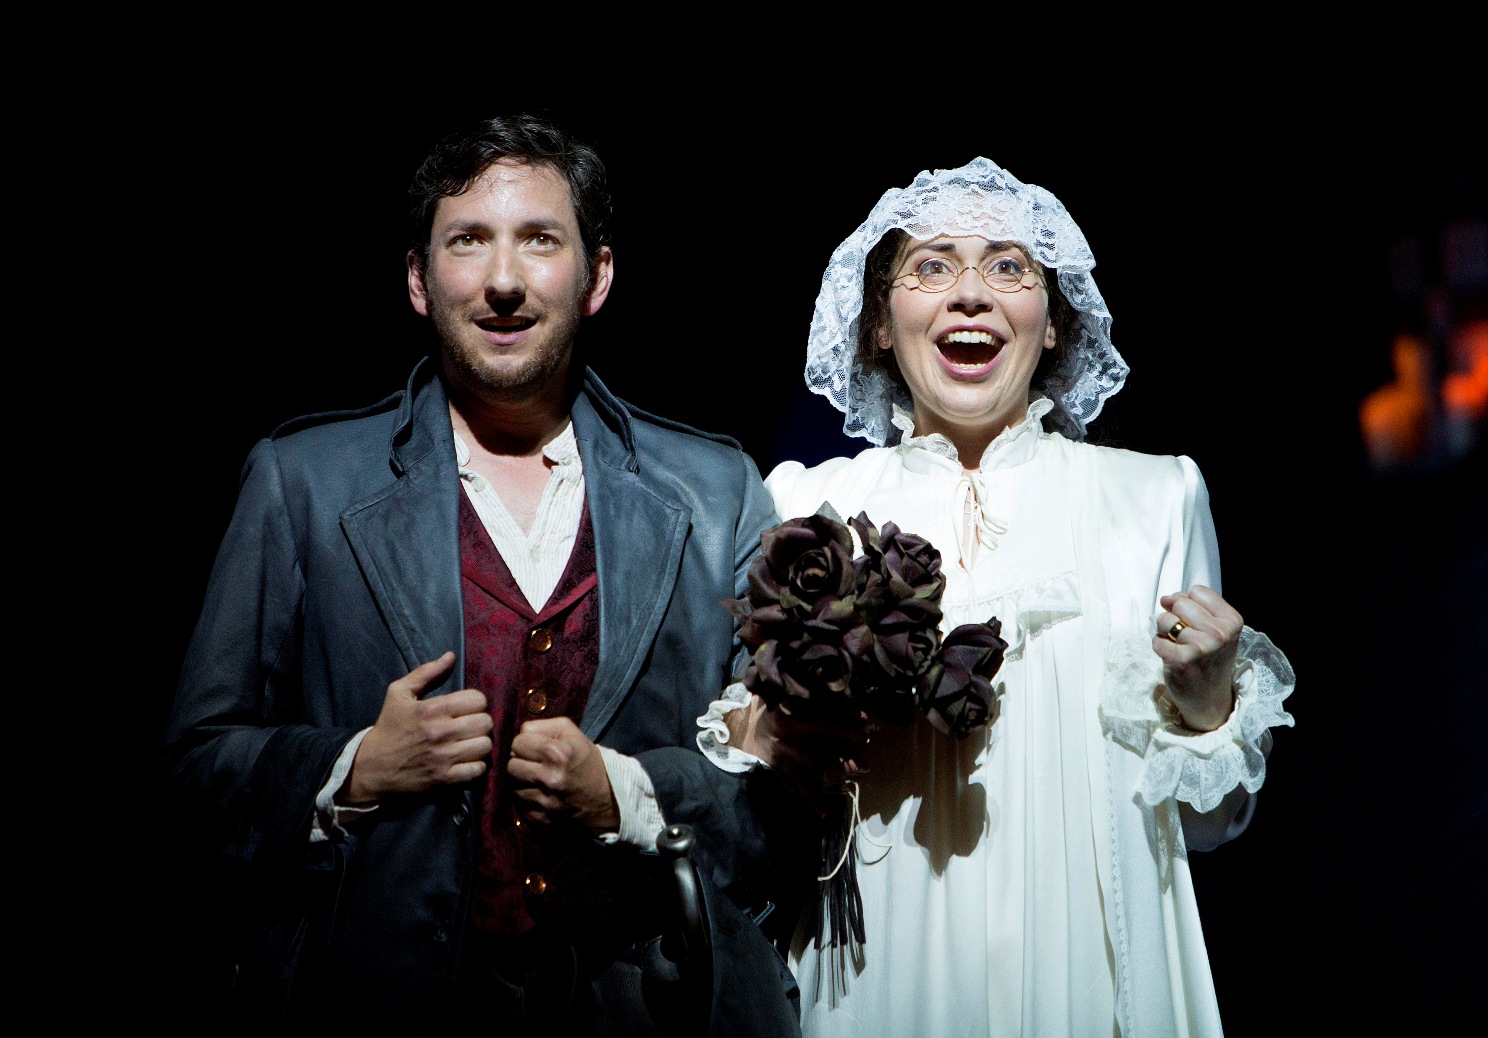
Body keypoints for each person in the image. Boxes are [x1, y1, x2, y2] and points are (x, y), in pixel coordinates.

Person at [158, 113, 814, 1036]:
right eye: (469, 241)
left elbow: (787, 803)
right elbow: (191, 775)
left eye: (540, 240)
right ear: (422, 282)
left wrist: (629, 796)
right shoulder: (303, 483)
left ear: (598, 277)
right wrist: (353, 770)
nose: (504, 281)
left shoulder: (714, 492)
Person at [698, 157, 1297, 1036]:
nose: (971, 294)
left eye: (1009, 267)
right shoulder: (803, 505)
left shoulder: (1155, 496)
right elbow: (748, 803)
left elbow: (1208, 825)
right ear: (878, 323)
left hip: (1093, 964)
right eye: (933, 266)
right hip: (877, 960)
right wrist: (771, 735)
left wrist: (1209, 707)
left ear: (1052, 322)